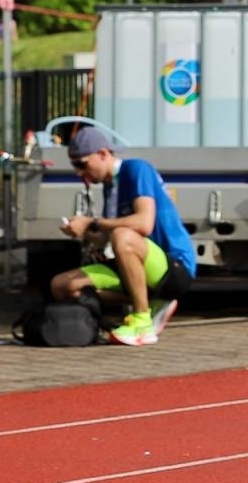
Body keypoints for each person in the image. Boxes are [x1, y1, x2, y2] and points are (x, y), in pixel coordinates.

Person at [52, 127, 194, 346]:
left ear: (103, 154)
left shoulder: (136, 169)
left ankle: (142, 322)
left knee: (123, 236)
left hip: (174, 267)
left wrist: (92, 222)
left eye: (82, 164)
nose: (79, 173)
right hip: (137, 261)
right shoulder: (110, 187)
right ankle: (148, 304)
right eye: (74, 166)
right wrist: (85, 233)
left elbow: (143, 224)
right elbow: (108, 239)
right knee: (61, 285)